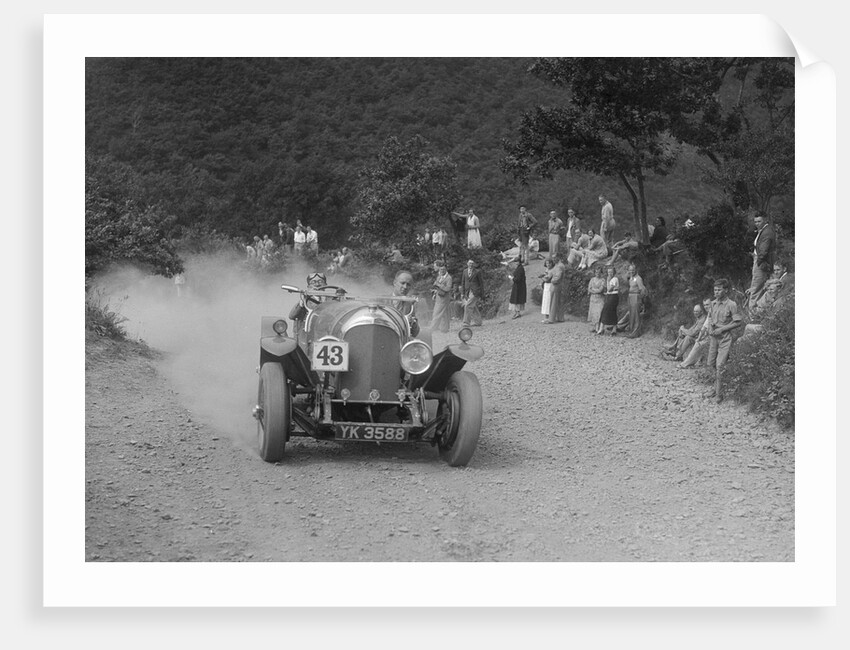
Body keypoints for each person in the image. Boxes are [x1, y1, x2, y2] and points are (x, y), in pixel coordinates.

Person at [704, 278, 744, 402]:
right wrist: (711, 327)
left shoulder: (731, 304)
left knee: (720, 365)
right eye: (715, 290)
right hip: (713, 338)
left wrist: (722, 329)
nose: (716, 292)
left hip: (725, 339)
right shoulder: (713, 303)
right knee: (711, 363)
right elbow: (710, 318)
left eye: (719, 290)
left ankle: (719, 394)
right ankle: (716, 387)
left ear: (726, 290)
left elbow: (738, 322)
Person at [746, 213, 776, 312]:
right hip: (758, 259)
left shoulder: (767, 232)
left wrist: (759, 261)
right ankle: (757, 311)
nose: (757, 224)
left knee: (756, 287)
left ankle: (753, 313)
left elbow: (763, 251)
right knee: (757, 286)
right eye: (755, 222)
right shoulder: (763, 230)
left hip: (761, 262)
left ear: (765, 220)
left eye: (759, 221)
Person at [677, 298, 713, 368]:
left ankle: (685, 363)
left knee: (697, 343)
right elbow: (704, 328)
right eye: (704, 305)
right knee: (693, 339)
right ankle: (678, 354)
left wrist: (683, 330)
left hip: (714, 337)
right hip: (707, 336)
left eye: (707, 305)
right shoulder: (709, 314)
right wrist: (699, 338)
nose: (706, 307)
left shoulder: (711, 314)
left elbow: (694, 332)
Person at [390, 270, 420, 336]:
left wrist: (413, 323)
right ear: (394, 283)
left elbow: (415, 333)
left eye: (408, 284)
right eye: (402, 283)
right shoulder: (382, 301)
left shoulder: (410, 305)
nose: (405, 287)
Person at [623, 263, 647, 338]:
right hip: (631, 296)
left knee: (636, 315)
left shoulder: (638, 278)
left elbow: (642, 289)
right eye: (630, 270)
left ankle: (635, 332)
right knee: (631, 314)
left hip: (636, 296)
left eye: (633, 270)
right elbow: (626, 281)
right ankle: (631, 331)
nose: (631, 271)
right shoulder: (631, 278)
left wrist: (640, 299)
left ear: (635, 270)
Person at [429, 261, 452, 333]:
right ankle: (444, 328)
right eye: (441, 269)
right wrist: (434, 293)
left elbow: (448, 288)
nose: (442, 271)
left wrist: (439, 285)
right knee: (444, 313)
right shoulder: (439, 276)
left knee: (437, 313)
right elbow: (436, 286)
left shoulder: (449, 278)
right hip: (438, 297)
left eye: (443, 269)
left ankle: (432, 328)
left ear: (446, 270)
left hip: (444, 298)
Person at [460, 259, 483, 326]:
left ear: (474, 264)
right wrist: (462, 293)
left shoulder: (477, 272)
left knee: (468, 306)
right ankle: (478, 322)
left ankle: (466, 322)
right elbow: (463, 282)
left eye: (472, 263)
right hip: (467, 292)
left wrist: (481, 293)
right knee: (473, 306)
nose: (471, 265)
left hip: (475, 291)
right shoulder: (464, 271)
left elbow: (481, 283)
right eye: (470, 263)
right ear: (467, 264)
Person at [597, 265, 619, 335]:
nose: (610, 273)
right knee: (610, 312)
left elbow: (609, 289)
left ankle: (602, 328)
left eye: (611, 272)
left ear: (614, 272)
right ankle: (613, 329)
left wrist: (608, 281)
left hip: (613, 297)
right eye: (609, 272)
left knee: (606, 311)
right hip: (609, 296)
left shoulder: (615, 279)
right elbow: (608, 290)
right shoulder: (609, 279)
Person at [586, 266, 606, 331]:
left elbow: (600, 290)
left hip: (600, 298)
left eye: (599, 272)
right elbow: (589, 289)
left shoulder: (603, 280)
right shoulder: (592, 279)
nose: (598, 273)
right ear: (595, 273)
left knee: (599, 312)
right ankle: (594, 327)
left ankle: (598, 327)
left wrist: (593, 290)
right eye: (596, 272)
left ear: (601, 273)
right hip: (593, 299)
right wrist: (594, 291)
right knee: (593, 312)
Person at [547, 256, 566, 323]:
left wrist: (551, 280)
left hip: (556, 286)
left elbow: (557, 277)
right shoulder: (558, 265)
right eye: (553, 258)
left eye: (555, 258)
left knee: (553, 302)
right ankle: (560, 318)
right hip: (558, 286)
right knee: (559, 302)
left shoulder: (559, 266)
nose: (553, 259)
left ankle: (551, 319)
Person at [539, 258, 555, 323]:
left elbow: (547, 279)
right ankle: (546, 316)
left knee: (548, 300)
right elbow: (545, 274)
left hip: (549, 285)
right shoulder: (547, 269)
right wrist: (543, 275)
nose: (548, 265)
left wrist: (542, 278)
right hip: (546, 286)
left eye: (549, 263)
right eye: (547, 263)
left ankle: (548, 317)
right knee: (545, 300)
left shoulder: (552, 270)